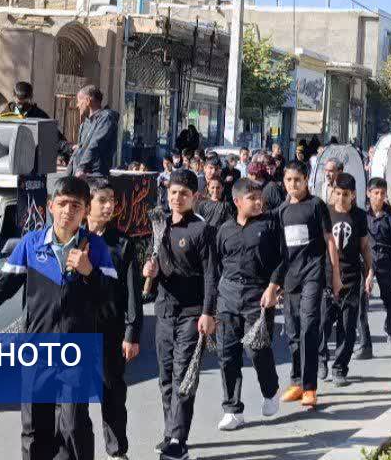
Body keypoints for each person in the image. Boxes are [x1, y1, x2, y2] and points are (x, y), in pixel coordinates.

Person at [0, 176, 117, 459]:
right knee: (34, 428)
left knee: (74, 425)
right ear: (50, 205)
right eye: (62, 203)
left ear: (85, 210)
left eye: (76, 205)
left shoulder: (96, 249)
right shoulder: (31, 244)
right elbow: (1, 289)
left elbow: (112, 301)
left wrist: (90, 272)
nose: (68, 211)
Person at [142, 170, 218, 459]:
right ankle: (169, 432)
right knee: (165, 377)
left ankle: (178, 439)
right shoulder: (160, 225)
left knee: (183, 376)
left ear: (194, 196)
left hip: (192, 312)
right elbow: (155, 263)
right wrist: (150, 271)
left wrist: (208, 313)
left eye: (184, 193)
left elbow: (211, 276)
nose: (177, 198)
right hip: (164, 310)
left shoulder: (201, 230)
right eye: (173, 192)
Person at [212, 178, 284, 431]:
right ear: (237, 201)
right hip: (228, 296)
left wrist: (273, 288)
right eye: (251, 198)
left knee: (257, 350)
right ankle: (232, 410)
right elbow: (217, 265)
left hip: (259, 295)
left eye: (259, 197)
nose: (258, 202)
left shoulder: (270, 225)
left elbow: (283, 259)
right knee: (227, 354)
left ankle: (270, 390)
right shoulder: (224, 230)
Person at [274, 160, 342, 408]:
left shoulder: (316, 205)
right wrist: (276, 282)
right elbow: (279, 250)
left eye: (297, 180)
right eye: (288, 180)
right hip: (290, 278)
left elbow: (330, 241)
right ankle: (297, 382)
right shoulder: (281, 211)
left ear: (306, 180)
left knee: (309, 327)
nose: (293, 184)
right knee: (293, 331)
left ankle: (310, 387)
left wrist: (335, 275)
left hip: (313, 274)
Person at [84, 178, 142, 460]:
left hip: (109, 331)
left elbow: (132, 294)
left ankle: (117, 451)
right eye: (102, 200)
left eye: (112, 201)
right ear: (88, 205)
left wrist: (131, 334)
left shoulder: (122, 244)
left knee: (112, 393)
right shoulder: (72, 239)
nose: (109, 206)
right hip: (76, 330)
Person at [318, 173, 372, 386]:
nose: (341, 198)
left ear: (353, 195)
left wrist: (369, 272)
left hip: (351, 278)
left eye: (345, 194)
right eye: (338, 193)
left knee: (347, 327)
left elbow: (364, 247)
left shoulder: (359, 216)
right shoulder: (325, 213)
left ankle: (340, 368)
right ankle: (321, 359)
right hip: (327, 277)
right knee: (322, 322)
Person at [356, 177, 391, 355]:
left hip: (385, 259)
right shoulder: (361, 215)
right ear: (368, 193)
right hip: (365, 261)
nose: (379, 197)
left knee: (390, 298)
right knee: (360, 300)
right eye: (376, 193)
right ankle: (365, 342)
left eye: (382, 193)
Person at [69, 85, 120, 178]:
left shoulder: (106, 118)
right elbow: (79, 150)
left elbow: (95, 144)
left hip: (95, 177)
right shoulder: (85, 124)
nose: (77, 105)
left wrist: (82, 168)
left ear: (88, 100)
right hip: (79, 177)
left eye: (79, 101)